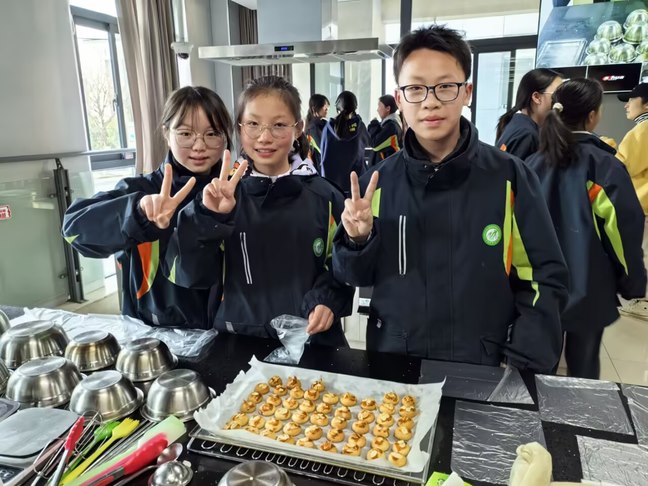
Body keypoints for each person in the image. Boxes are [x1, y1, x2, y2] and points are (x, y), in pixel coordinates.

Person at [332, 25, 569, 372]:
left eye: (445, 86)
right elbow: (353, 277)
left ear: (466, 92)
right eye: (415, 88)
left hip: (483, 363)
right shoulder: (376, 185)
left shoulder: (510, 178)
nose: (430, 101)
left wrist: (521, 362)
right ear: (400, 99)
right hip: (395, 362)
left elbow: (543, 278)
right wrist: (357, 241)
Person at [164, 76, 353, 346]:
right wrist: (207, 218)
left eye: (279, 125)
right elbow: (186, 274)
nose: (265, 137)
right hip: (237, 342)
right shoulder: (217, 197)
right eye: (253, 124)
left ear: (298, 128)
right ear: (239, 129)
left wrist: (327, 300)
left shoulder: (326, 197)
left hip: (311, 340)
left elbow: (343, 268)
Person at [62, 86, 233, 328]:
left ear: (225, 137)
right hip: (152, 332)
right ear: (166, 133)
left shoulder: (233, 195)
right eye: (185, 134)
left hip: (224, 331)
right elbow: (74, 230)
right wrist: (137, 213)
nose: (199, 146)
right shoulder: (140, 190)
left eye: (212, 133)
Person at [526, 78, 646, 379]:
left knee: (539, 368)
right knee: (583, 370)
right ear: (592, 115)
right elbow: (622, 232)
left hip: (539, 287)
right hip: (590, 286)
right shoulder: (604, 166)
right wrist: (632, 282)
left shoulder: (531, 164)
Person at [496, 68, 564, 160]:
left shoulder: (516, 123)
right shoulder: (527, 135)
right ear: (536, 97)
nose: (561, 101)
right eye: (556, 95)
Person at [320, 91, 369, 195]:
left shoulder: (328, 128)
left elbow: (323, 158)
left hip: (332, 189)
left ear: (338, 108)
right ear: (355, 108)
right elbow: (368, 143)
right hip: (357, 186)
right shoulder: (360, 127)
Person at [367, 94, 403, 167]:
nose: (377, 109)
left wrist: (373, 124)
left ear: (388, 108)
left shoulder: (391, 126)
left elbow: (374, 144)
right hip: (386, 166)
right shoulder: (387, 123)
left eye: (379, 106)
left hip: (387, 167)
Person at [305, 94, 330, 173]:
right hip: (321, 170)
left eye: (327, 105)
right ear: (314, 108)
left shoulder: (323, 124)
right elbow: (324, 149)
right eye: (324, 105)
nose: (327, 108)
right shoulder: (313, 128)